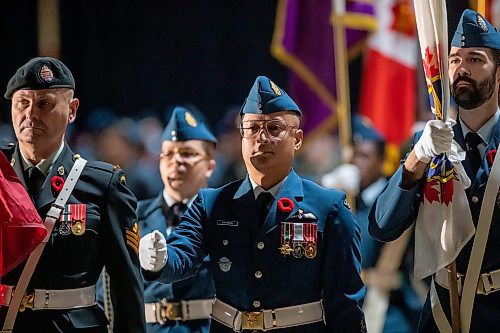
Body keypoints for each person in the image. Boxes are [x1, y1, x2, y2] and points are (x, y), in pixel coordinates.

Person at [139, 75, 366, 332]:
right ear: (241, 137)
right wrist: (159, 260)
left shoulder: (328, 207)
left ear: (298, 139)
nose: (261, 138)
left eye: (274, 128)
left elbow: (345, 302)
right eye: (252, 128)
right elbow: (184, 255)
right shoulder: (213, 203)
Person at [369, 9, 500, 332]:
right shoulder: (425, 145)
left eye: (475, 59)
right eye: (454, 60)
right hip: (443, 313)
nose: (461, 69)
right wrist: (418, 158)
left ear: (499, 74)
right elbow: (382, 226)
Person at [0, 57, 146, 332]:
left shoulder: (102, 184)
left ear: (72, 110)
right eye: (23, 103)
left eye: (45, 104)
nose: (31, 114)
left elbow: (126, 284)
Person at [322, 116, 421, 333]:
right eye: (354, 155)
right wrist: (326, 191)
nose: (357, 163)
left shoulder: (394, 199)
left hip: (391, 308)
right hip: (347, 305)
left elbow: (368, 244)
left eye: (365, 156)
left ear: (381, 160)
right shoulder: (344, 197)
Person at [138, 106, 217, 332]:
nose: (176, 162)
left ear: (210, 166)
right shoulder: (134, 215)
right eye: (168, 154)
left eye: (188, 153)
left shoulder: (224, 216)